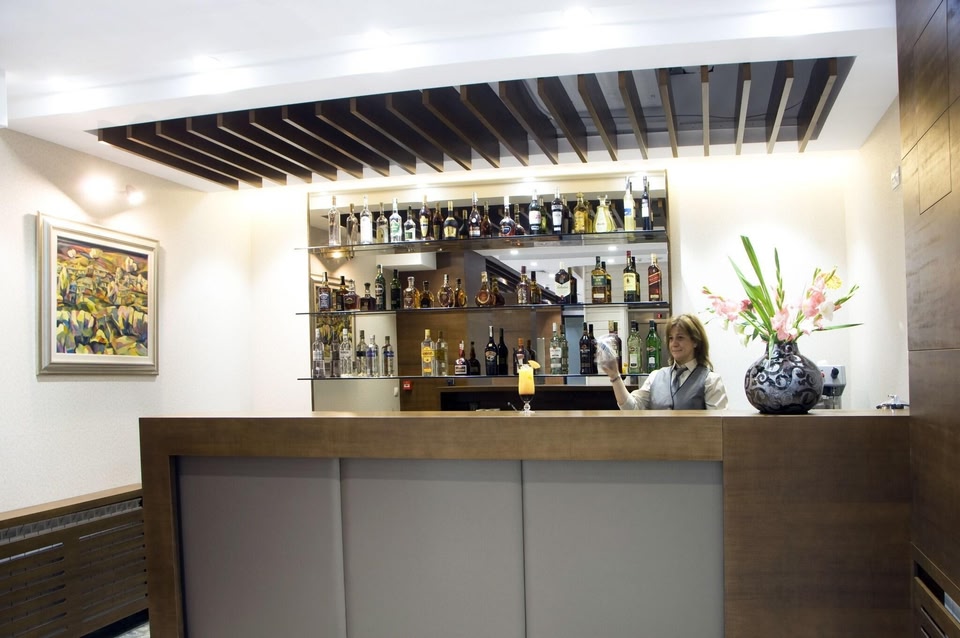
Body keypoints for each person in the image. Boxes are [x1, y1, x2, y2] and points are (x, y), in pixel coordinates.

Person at [599, 313, 728, 410]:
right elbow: (631, 409)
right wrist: (614, 376)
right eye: (671, 338)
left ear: (695, 341)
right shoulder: (655, 376)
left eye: (680, 337)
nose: (674, 344)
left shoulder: (711, 381)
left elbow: (718, 427)